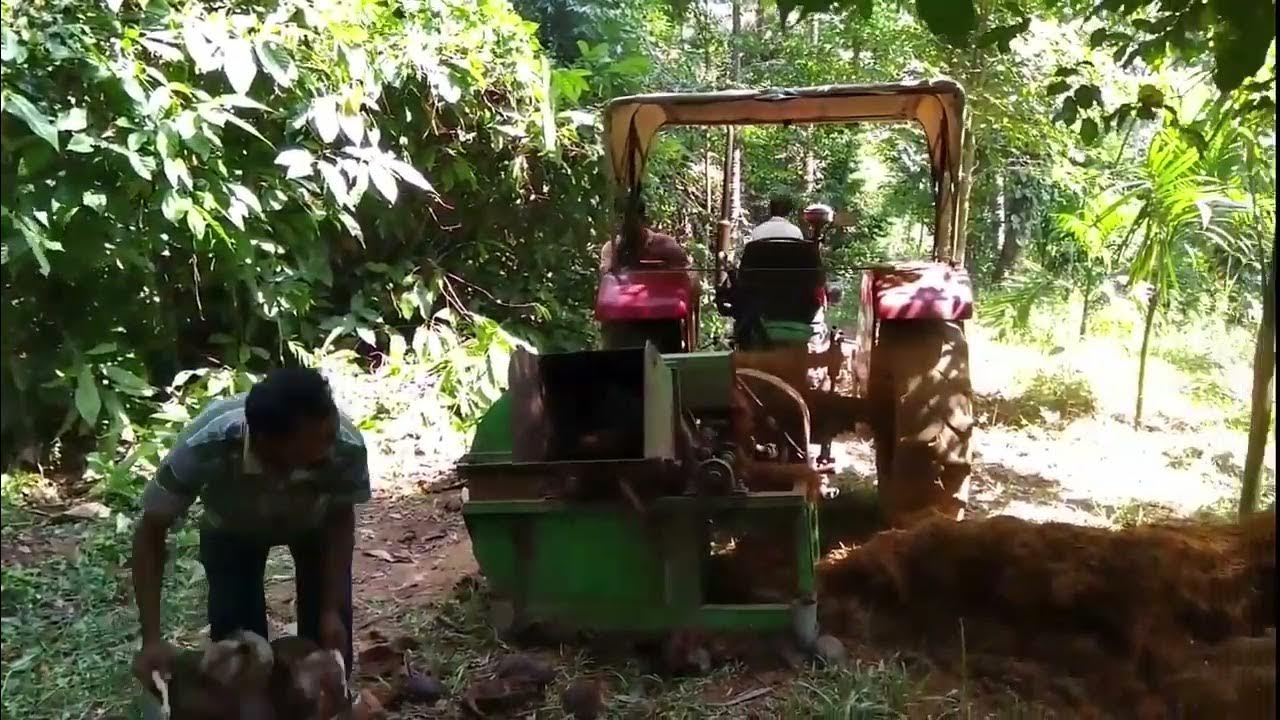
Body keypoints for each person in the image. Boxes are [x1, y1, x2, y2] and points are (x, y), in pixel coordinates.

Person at [130, 367, 370, 695]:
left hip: (314, 526)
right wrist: (152, 639)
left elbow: (341, 519)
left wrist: (331, 609)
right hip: (231, 531)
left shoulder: (345, 446)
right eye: (309, 453)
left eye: (330, 437)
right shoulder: (205, 445)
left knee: (325, 656)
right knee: (236, 662)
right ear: (266, 443)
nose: (328, 453)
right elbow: (151, 530)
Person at [599, 198, 691, 273]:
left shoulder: (665, 245)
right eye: (619, 218)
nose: (623, 224)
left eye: (630, 220)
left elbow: (689, 275)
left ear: (642, 219)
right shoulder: (611, 249)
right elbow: (608, 282)